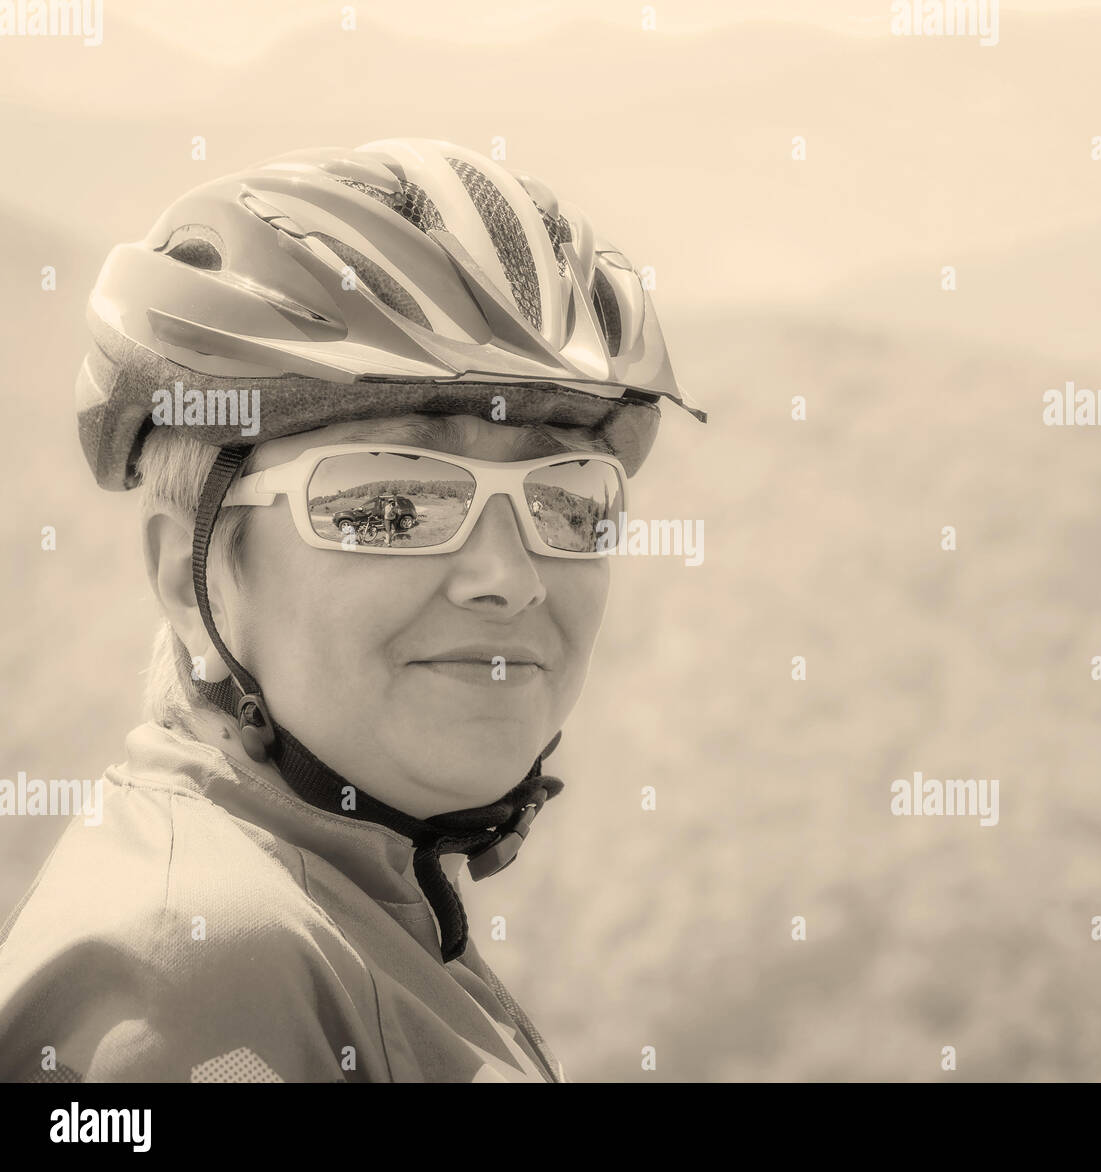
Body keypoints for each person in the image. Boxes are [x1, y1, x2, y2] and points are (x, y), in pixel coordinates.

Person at [0, 138, 705, 1083]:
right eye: (391, 505)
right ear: (190, 578)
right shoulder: (198, 982)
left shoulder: (354, 910)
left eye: (569, 499)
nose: (511, 576)